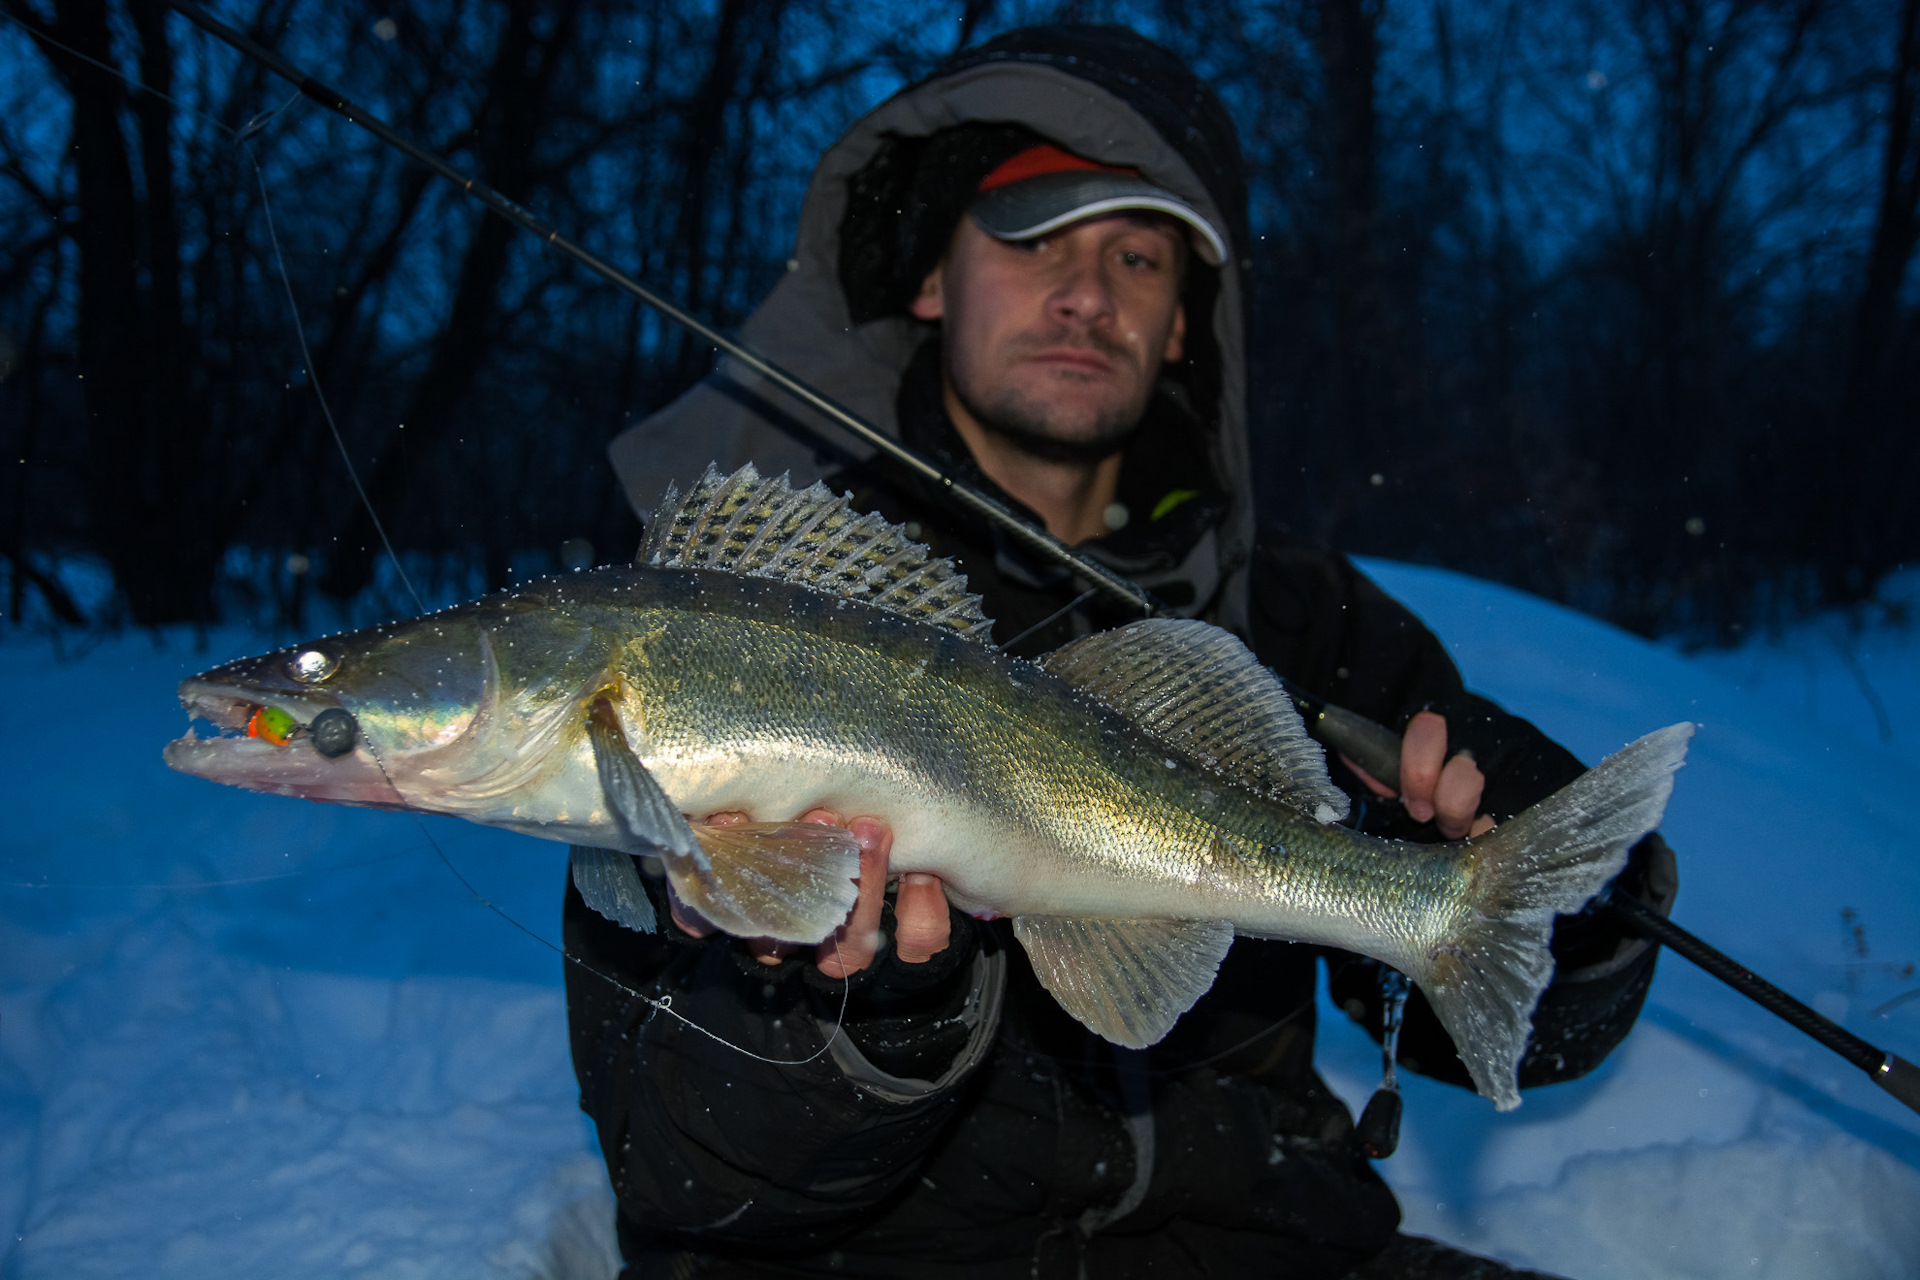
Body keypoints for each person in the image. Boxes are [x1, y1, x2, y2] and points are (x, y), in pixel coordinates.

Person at [568, 25, 1676, 1279]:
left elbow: (1510, 1023)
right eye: (1032, 237)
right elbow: (682, 1173)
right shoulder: (749, 618)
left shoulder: (1312, 624)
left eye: (1137, 255)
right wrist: (870, 1009)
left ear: (1187, 326)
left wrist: (1565, 885)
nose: (1085, 292)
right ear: (930, 279)